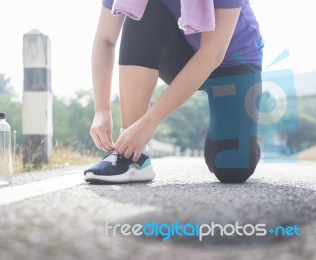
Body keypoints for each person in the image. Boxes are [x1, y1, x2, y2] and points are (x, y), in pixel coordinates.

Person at [84, 0, 263, 184]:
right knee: (142, 7)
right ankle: (133, 158)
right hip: (182, 51)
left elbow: (212, 54)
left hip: (232, 62)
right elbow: (105, 39)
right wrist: (101, 110)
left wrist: (149, 122)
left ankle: (244, 131)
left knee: (232, 169)